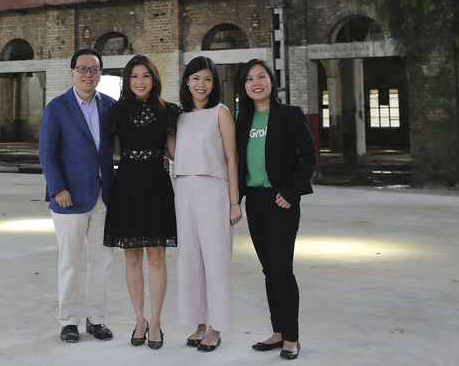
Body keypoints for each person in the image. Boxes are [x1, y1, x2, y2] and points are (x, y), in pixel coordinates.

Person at [235, 59, 316, 361]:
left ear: (271, 81)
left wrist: (292, 193)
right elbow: (238, 162)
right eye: (249, 79)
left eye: (261, 76)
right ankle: (278, 331)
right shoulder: (242, 120)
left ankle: (292, 338)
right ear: (243, 86)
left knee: (282, 270)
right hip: (255, 201)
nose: (256, 82)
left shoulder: (289, 115)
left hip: (281, 201)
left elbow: (308, 156)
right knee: (269, 271)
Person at [39, 48, 117, 344]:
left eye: (94, 69)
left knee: (102, 261)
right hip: (68, 197)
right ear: (72, 72)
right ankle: (69, 321)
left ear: (100, 74)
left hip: (104, 197)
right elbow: (47, 151)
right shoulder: (57, 107)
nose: (88, 74)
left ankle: (96, 319)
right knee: (70, 261)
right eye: (83, 69)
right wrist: (58, 188)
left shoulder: (110, 106)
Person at [103, 55, 181, 350]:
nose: (140, 81)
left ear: (154, 79)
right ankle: (139, 319)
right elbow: (105, 151)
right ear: (127, 80)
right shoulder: (116, 112)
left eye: (146, 75)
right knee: (132, 255)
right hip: (127, 186)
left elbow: (175, 151)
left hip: (157, 186)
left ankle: (157, 322)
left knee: (157, 256)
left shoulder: (168, 112)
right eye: (134, 76)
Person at [173, 55, 240, 352]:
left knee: (215, 259)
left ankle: (216, 326)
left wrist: (234, 202)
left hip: (213, 188)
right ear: (187, 81)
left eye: (208, 79)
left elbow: (231, 158)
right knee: (190, 259)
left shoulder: (220, 113)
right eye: (196, 78)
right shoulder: (179, 116)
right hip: (184, 189)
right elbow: (176, 154)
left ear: (214, 84)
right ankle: (198, 321)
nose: (202, 85)